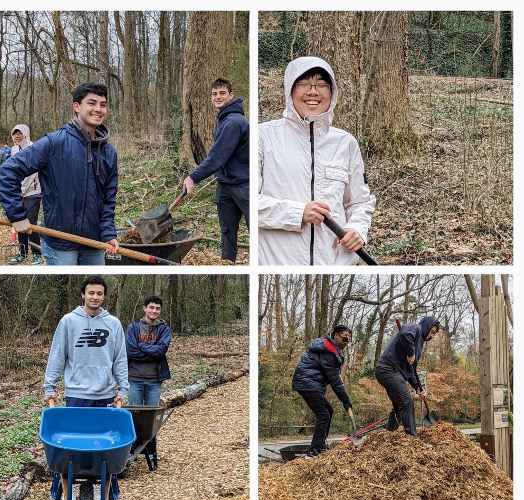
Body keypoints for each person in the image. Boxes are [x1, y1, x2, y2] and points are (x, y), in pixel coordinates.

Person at [258, 56, 376, 265]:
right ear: (290, 90)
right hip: (279, 262)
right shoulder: (263, 137)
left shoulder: (345, 143)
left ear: (332, 93)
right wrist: (298, 213)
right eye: (303, 84)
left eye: (322, 85)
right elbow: (248, 201)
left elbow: (360, 201)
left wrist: (358, 228)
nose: (313, 91)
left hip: (335, 265)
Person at [0, 82, 119, 265]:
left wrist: (108, 232)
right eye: (91, 103)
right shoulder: (53, 143)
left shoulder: (108, 152)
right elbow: (7, 172)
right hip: (60, 244)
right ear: (76, 106)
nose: (98, 109)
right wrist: (17, 215)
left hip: (95, 243)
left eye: (103, 104)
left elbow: (108, 199)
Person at [182, 77, 249, 262]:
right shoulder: (223, 119)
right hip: (225, 186)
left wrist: (193, 177)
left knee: (256, 228)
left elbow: (217, 157)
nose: (218, 97)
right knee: (227, 232)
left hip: (245, 186)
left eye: (222, 93)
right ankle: (228, 263)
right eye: (214, 94)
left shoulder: (233, 122)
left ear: (231, 95)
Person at [43, 275, 129, 407]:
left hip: (105, 395)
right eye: (91, 293)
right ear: (83, 294)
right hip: (76, 394)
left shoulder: (114, 323)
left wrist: (123, 389)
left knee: (103, 428)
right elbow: (57, 355)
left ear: (104, 296)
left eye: (99, 293)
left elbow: (120, 358)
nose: (95, 297)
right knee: (76, 429)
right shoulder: (68, 321)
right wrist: (49, 387)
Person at [292, 324, 353, 458]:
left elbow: (335, 379)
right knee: (323, 414)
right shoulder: (329, 353)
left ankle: (320, 445)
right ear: (335, 336)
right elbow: (335, 381)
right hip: (307, 382)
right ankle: (314, 452)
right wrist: (346, 401)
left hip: (309, 382)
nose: (346, 343)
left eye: (349, 340)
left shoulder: (329, 349)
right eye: (344, 339)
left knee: (328, 411)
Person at [375, 316, 440, 437]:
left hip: (393, 372)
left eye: (434, 334)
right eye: (432, 331)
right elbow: (405, 333)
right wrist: (411, 353)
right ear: (427, 326)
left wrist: (418, 387)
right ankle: (412, 437)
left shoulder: (419, 344)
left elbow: (410, 370)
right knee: (407, 400)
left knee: (399, 406)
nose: (431, 335)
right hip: (387, 369)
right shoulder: (416, 328)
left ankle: (389, 435)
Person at [126, 295, 172, 406]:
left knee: (151, 416)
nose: (154, 311)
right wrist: (153, 353)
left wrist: (141, 345)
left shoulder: (164, 329)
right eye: (151, 307)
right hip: (134, 378)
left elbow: (161, 351)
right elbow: (131, 351)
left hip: (155, 379)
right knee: (135, 414)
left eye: (157, 308)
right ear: (145, 308)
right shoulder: (133, 328)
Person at [7, 125, 43, 265]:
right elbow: (12, 170)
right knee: (20, 220)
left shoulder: (33, 148)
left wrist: (23, 190)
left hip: (33, 191)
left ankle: (36, 253)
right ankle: (22, 253)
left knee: (31, 222)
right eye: (15, 133)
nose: (17, 136)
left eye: (20, 133)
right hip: (18, 191)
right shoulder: (14, 149)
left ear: (25, 134)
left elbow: (33, 171)